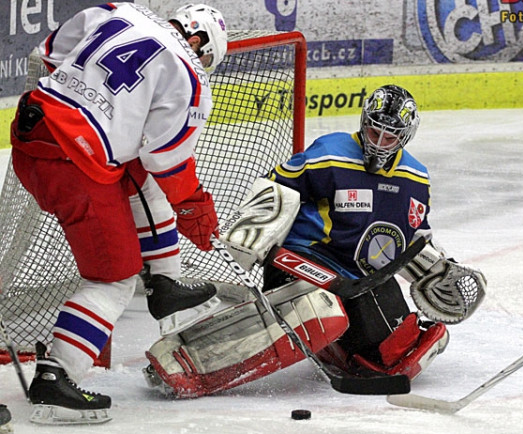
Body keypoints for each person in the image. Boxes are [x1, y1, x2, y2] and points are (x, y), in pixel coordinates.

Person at [142, 85, 487, 398]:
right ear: (363, 122)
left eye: (389, 137)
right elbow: (276, 189)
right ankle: (181, 360)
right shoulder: (330, 153)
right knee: (317, 314)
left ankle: (340, 338)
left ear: (405, 137)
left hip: (358, 280)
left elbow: (411, 239)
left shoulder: (416, 178)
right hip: (303, 263)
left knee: (393, 353)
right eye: (374, 130)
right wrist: (253, 237)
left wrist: (437, 270)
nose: (379, 141)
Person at [9, 3, 227, 425]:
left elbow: (50, 53)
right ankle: (57, 376)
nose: (202, 64)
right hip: (73, 166)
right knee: (114, 278)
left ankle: (164, 282)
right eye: (205, 57)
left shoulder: (119, 9)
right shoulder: (191, 76)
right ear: (197, 41)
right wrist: (195, 206)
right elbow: (170, 159)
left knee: (135, 171)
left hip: (31, 130)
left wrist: (101, 110)